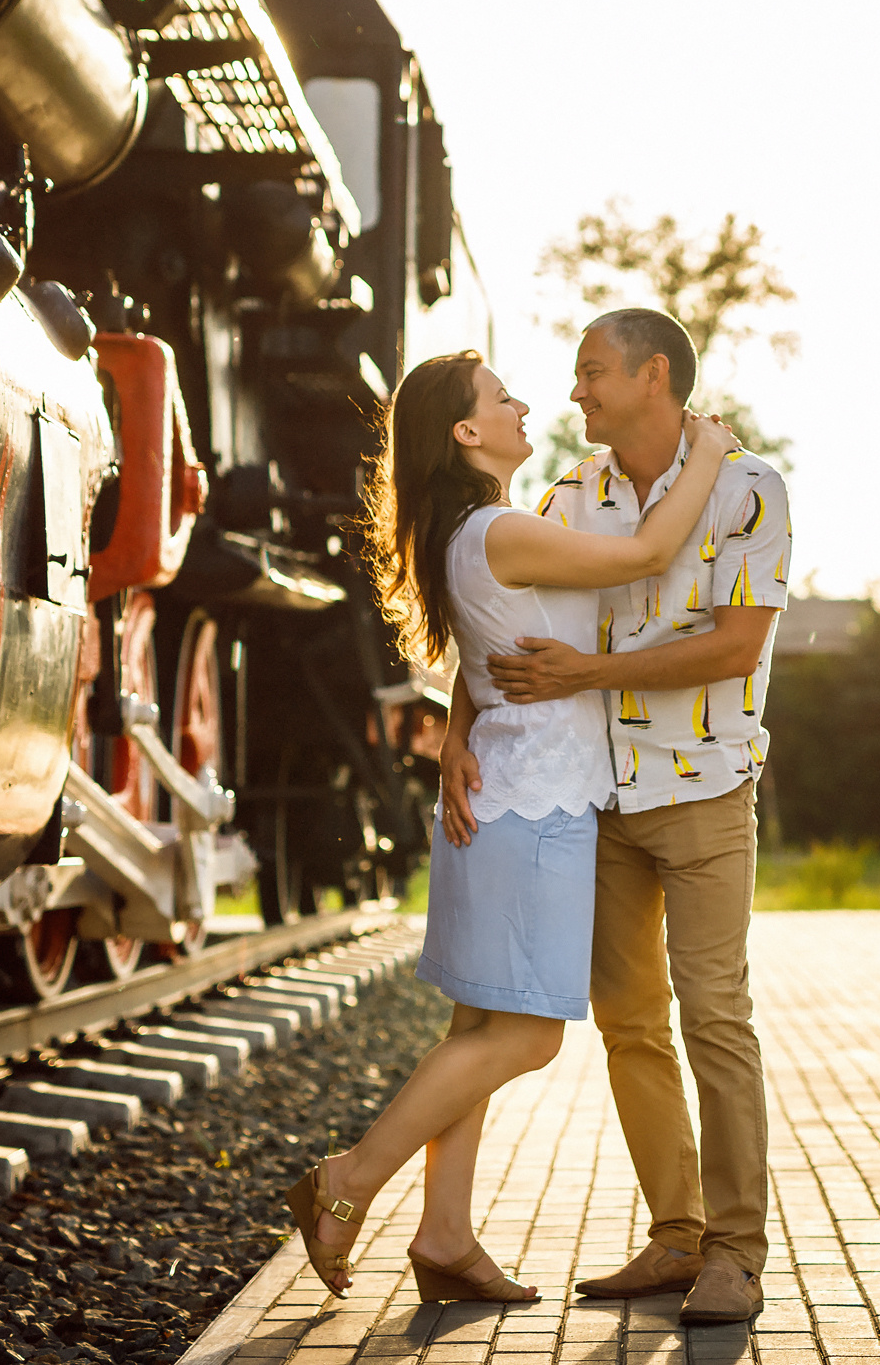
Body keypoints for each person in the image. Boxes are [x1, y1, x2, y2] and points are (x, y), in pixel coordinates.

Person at [285, 350, 733, 1304]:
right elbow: (650, 553)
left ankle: (445, 1236)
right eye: (502, 398)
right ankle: (348, 1180)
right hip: (535, 807)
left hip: (496, 798)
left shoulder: (474, 532)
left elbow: (490, 655)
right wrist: (709, 450)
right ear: (466, 432)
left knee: (478, 1023)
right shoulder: (499, 530)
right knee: (527, 1037)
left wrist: (455, 727)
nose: (525, 404)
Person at [445, 308, 790, 1327]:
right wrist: (458, 730)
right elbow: (500, 624)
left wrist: (594, 672)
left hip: (705, 790)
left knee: (715, 1017)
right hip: (596, 796)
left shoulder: (748, 488)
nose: (574, 392)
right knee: (630, 1025)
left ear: (652, 376)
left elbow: (735, 647)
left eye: (592, 372)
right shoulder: (569, 495)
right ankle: (675, 1236)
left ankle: (735, 1252)